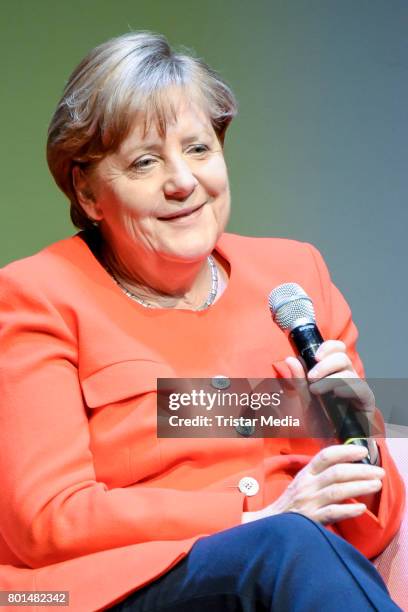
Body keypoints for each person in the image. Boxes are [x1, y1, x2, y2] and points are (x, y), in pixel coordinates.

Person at [0, 31, 404, 612]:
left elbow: (370, 528)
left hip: (294, 570)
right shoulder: (37, 296)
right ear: (88, 192)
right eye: (145, 161)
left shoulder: (294, 275)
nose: (183, 181)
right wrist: (254, 513)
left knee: (298, 546)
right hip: (117, 587)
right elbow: (46, 521)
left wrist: (349, 424)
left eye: (198, 149)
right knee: (289, 543)